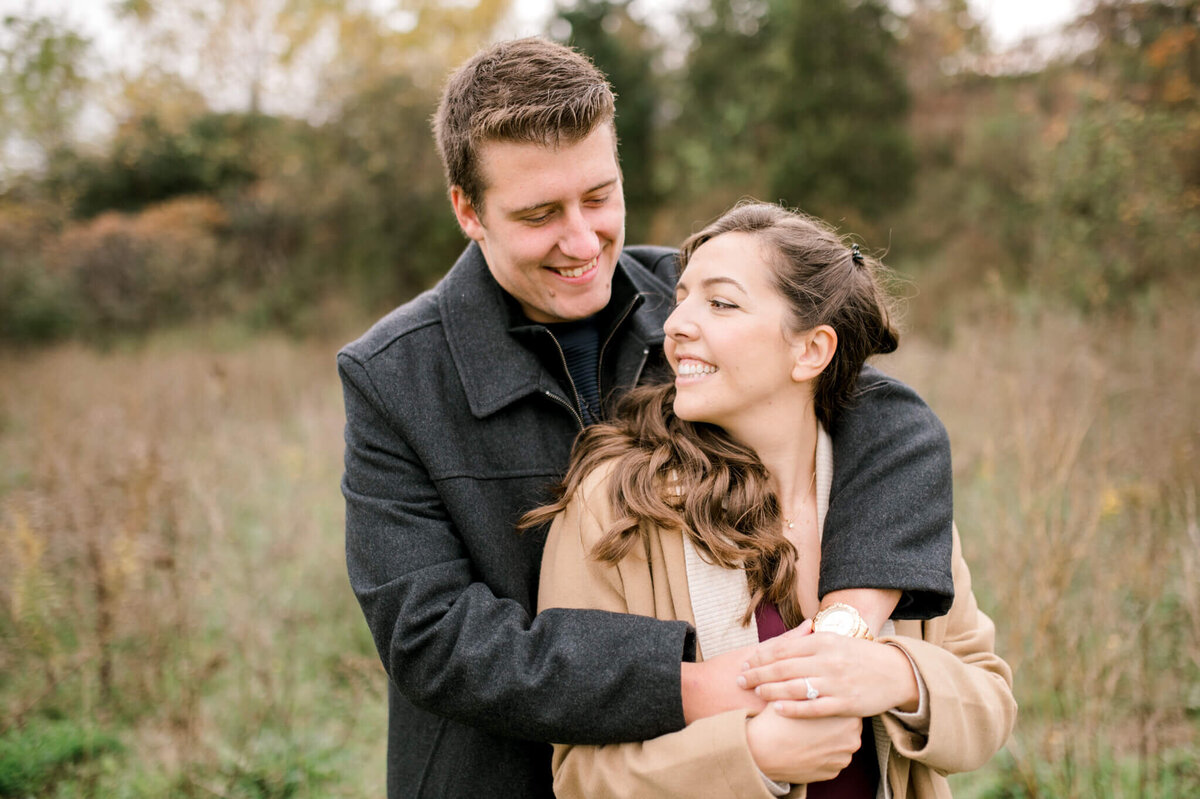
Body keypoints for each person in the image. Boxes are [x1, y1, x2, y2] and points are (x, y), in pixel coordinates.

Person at [338, 38, 956, 798]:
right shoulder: (393, 375)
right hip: (494, 775)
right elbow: (431, 638)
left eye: (599, 197)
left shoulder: (693, 300)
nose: (581, 241)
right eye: (538, 214)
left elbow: (883, 412)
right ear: (468, 210)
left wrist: (851, 620)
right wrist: (695, 683)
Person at [532, 201, 1017, 798]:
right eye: (681, 298)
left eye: (721, 303)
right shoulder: (615, 504)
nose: (676, 323)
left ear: (811, 350)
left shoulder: (889, 495)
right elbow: (580, 776)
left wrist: (895, 676)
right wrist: (751, 757)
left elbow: (989, 701)